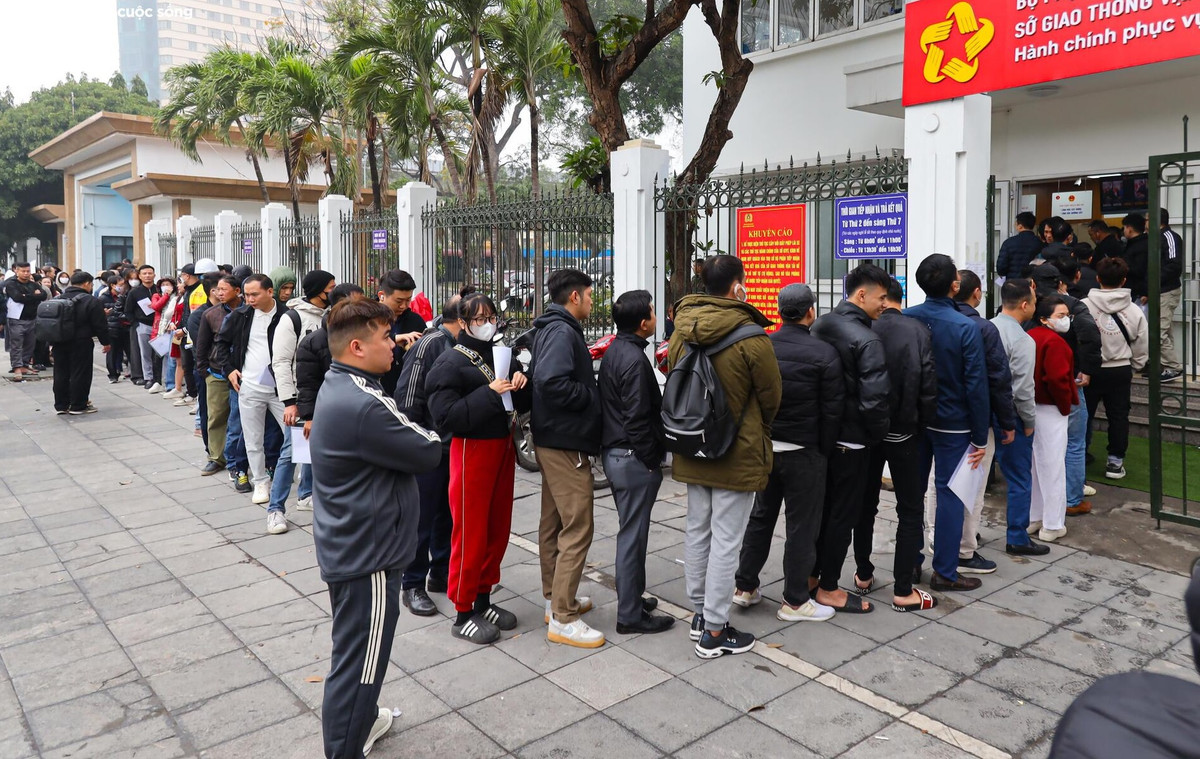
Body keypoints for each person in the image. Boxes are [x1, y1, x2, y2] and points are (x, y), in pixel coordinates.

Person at [309, 295, 441, 759]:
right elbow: (427, 447)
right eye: (386, 337)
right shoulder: (363, 402)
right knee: (360, 667)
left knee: (357, 656)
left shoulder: (343, 384)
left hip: (353, 542)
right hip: (368, 557)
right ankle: (345, 746)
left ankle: (362, 721)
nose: (394, 344)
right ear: (358, 347)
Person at [668, 255, 781, 657]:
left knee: (698, 530)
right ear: (738, 287)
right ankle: (715, 632)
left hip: (693, 444)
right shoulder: (752, 337)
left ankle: (701, 615)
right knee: (727, 540)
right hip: (737, 450)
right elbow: (771, 397)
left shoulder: (682, 329)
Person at [734, 284, 844, 621]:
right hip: (804, 451)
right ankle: (795, 600)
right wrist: (824, 451)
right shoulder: (824, 353)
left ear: (780, 312)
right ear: (811, 312)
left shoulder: (764, 345)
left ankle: (745, 586)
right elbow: (832, 411)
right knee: (802, 527)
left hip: (767, 449)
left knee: (760, 517)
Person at [426, 292, 531, 643]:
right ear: (463, 322)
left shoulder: (500, 354)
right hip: (471, 449)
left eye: (491, 317)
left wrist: (521, 382)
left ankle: (484, 598)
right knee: (469, 532)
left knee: (497, 528)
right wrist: (490, 393)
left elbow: (518, 401)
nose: (487, 324)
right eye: (479, 319)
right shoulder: (449, 362)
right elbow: (445, 417)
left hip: (501, 446)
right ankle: (462, 610)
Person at [903, 255, 990, 592]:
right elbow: (976, 384)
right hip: (953, 422)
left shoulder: (907, 317)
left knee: (913, 492)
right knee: (951, 494)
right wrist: (980, 435)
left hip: (914, 419)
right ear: (955, 285)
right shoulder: (965, 326)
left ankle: (910, 563)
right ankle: (945, 571)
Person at [921, 268, 1015, 576]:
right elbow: (992, 381)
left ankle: (936, 539)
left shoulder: (915, 318)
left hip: (924, 418)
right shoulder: (978, 327)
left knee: (936, 484)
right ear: (972, 291)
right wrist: (1002, 423)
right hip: (963, 422)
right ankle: (962, 549)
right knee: (968, 486)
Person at [531, 269, 606, 648]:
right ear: (574, 296)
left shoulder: (552, 326)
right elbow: (551, 381)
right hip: (565, 442)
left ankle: (555, 599)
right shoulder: (562, 331)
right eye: (590, 295)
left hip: (552, 437)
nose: (592, 301)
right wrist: (590, 397)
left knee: (554, 522)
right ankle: (563, 617)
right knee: (578, 526)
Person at [854, 278, 939, 611]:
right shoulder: (917, 330)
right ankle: (903, 589)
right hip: (905, 432)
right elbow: (928, 383)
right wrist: (920, 424)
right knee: (909, 508)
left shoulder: (864, 327)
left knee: (865, 504)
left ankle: (863, 574)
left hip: (867, 432)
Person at [810, 263, 890, 611]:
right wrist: (877, 436)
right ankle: (829, 587)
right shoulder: (868, 339)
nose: (885, 305)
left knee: (820, 512)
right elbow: (875, 400)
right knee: (843, 517)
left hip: (821, 436)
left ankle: (810, 578)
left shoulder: (821, 324)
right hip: (853, 441)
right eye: (881, 298)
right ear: (861, 295)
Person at [598, 290, 675, 634]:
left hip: (619, 455)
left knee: (634, 534)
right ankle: (629, 615)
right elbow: (637, 419)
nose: (657, 317)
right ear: (644, 323)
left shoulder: (618, 350)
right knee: (632, 537)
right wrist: (651, 459)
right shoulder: (632, 359)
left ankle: (633, 598)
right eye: (653, 312)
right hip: (631, 458)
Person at [391, 291, 465, 616]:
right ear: (462, 319)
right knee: (420, 519)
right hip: (428, 444)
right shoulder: (430, 344)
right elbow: (408, 398)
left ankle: (440, 572)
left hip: (452, 446)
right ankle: (412, 584)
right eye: (480, 317)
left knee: (446, 516)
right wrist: (421, 439)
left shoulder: (461, 345)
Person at [217, 274, 291, 533]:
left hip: (283, 389)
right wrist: (229, 370)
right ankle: (261, 481)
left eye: (254, 294)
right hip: (249, 386)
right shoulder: (240, 316)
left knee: (294, 435)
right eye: (246, 294)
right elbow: (221, 345)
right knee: (252, 437)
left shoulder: (287, 315)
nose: (249, 299)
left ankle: (305, 485)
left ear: (270, 291)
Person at [1030, 263, 1101, 517]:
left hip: (1032, 389)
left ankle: (1041, 502)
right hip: (1064, 388)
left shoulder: (1026, 307)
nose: (1064, 319)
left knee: (1039, 447)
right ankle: (1071, 498)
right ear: (1061, 282)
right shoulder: (1072, 306)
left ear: (1033, 284)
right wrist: (1087, 369)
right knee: (1073, 442)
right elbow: (1091, 334)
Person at [990, 280, 1050, 557]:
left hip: (980, 412)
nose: (1035, 306)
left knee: (974, 477)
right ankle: (1017, 536)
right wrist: (1029, 421)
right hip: (1010, 415)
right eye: (1034, 302)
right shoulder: (1023, 340)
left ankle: (967, 534)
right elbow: (1023, 388)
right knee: (1018, 478)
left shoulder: (984, 327)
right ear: (1025, 305)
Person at [271, 269, 336, 515]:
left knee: (311, 447)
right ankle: (275, 508)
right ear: (318, 291)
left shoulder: (332, 315)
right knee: (291, 451)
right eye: (330, 288)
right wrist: (290, 401)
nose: (333, 292)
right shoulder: (293, 318)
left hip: (325, 394)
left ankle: (306, 494)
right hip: (301, 396)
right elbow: (281, 362)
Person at [1084, 257, 1149, 481]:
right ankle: (1115, 462)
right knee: (1119, 417)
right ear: (1123, 280)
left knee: (1084, 415)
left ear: (1098, 278)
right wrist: (1135, 366)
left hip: (1090, 370)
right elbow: (1142, 343)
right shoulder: (1134, 310)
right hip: (1120, 369)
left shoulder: (1083, 305)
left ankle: (1078, 457)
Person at [1028, 295, 1077, 543]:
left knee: (1036, 466)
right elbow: (1057, 379)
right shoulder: (1054, 342)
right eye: (1061, 315)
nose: (1066, 319)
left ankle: (1035, 517)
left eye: (1067, 315)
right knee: (1053, 466)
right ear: (1045, 318)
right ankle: (1052, 524)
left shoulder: (1030, 336)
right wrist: (1065, 405)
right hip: (1051, 408)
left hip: (1029, 406)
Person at [296, 284, 365, 444]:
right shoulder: (313, 342)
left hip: (358, 410)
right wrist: (310, 417)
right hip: (327, 411)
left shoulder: (366, 336)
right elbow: (308, 384)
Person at [196, 276, 240, 475]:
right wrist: (204, 371)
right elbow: (202, 345)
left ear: (237, 290)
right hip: (217, 373)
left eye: (224, 289)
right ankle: (216, 457)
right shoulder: (210, 314)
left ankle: (241, 457)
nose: (219, 293)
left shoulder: (248, 311)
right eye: (218, 290)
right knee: (216, 417)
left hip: (243, 372)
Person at [50, 272, 111, 414]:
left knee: (60, 373)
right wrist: (106, 342)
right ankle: (78, 405)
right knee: (80, 373)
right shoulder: (90, 300)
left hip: (59, 341)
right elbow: (100, 325)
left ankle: (61, 405)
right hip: (81, 341)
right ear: (86, 283)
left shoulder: (58, 298)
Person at [378, 269, 425, 396]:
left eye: (408, 300)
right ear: (382, 295)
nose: (403, 306)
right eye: (398, 301)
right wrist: (394, 338)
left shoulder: (416, 321)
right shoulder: (367, 319)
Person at [5, 262, 48, 378]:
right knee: (16, 345)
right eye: (23, 271)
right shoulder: (11, 284)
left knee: (30, 344)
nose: (26, 273)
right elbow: (17, 297)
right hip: (16, 318)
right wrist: (33, 295)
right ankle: (17, 367)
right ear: (16, 271)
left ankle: (25, 365)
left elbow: (43, 295)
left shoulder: (33, 284)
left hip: (32, 318)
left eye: (28, 271)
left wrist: (27, 295)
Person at [1157, 208, 1184, 382]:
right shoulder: (1157, 237)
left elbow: (1174, 266)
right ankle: (1166, 367)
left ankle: (1173, 367)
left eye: (1147, 219)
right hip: (1160, 290)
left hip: (1166, 290)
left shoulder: (1169, 237)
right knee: (1164, 330)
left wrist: (1154, 280)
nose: (1145, 223)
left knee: (1159, 332)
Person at [125, 264, 162, 391]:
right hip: (143, 325)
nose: (147, 276)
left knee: (161, 352)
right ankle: (148, 378)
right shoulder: (134, 292)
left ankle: (160, 377)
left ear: (154, 275)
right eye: (144, 274)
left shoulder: (159, 290)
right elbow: (128, 310)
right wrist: (135, 324)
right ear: (140, 276)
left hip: (160, 325)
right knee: (145, 353)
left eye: (150, 273)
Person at [98, 273, 129, 383]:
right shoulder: (103, 298)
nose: (122, 287)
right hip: (111, 328)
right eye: (120, 284)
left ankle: (127, 371)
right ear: (112, 285)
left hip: (125, 327)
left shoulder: (125, 296)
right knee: (112, 352)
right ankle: (112, 374)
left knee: (126, 351)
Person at [997, 212, 1043, 280]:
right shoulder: (1039, 243)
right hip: (1032, 282)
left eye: (1016, 224)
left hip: (1013, 283)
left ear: (1020, 226)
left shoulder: (1008, 243)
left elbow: (1001, 268)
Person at [1119, 213, 1149, 304]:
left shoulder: (1139, 246)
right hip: (1135, 291)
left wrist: (1121, 265)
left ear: (1129, 229)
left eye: (1124, 228)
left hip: (1138, 293)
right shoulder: (1137, 243)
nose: (1124, 231)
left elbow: (1140, 270)